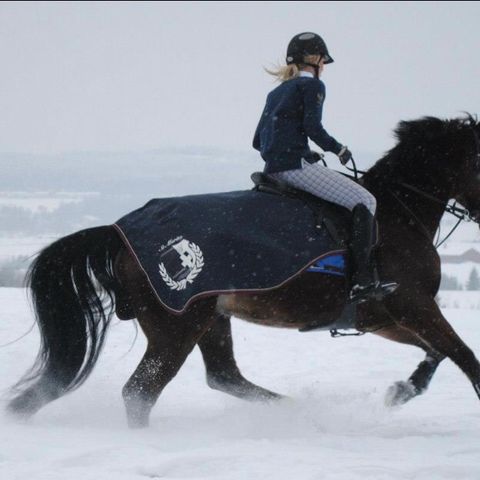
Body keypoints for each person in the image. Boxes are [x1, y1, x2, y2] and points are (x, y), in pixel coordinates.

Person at [253, 32, 397, 303]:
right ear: (316, 60)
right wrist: (338, 149)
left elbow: (258, 140)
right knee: (365, 200)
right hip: (295, 168)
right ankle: (362, 280)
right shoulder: (313, 87)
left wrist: (302, 150)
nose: (324, 68)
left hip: (273, 169)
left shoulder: (276, 92)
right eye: (324, 62)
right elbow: (312, 127)